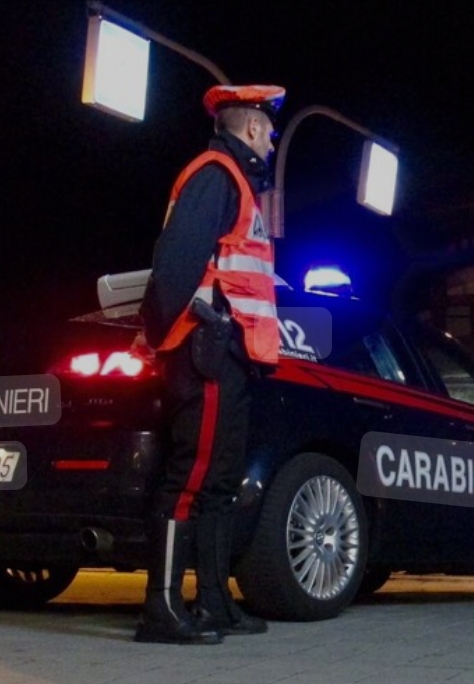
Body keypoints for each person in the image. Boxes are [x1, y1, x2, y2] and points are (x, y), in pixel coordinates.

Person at [134, 84, 286, 644]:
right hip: (208, 351)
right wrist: (159, 335)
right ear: (252, 127)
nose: (272, 142)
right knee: (191, 479)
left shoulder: (235, 182)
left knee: (219, 482)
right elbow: (174, 265)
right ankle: (161, 608)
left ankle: (215, 603)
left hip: (230, 355)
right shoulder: (215, 175)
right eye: (269, 132)